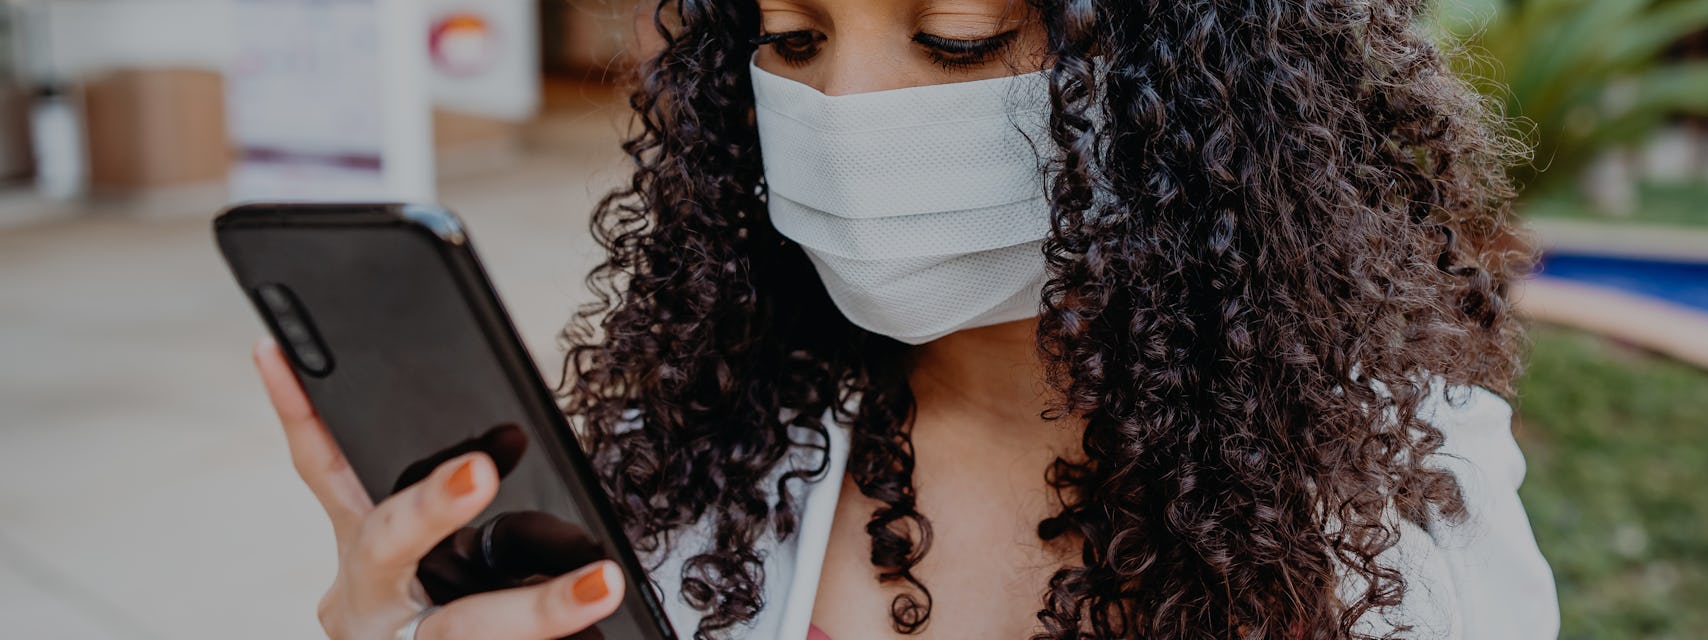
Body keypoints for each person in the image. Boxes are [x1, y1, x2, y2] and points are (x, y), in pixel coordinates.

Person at [250, 0, 1560, 637]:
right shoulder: (689, 463)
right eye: (796, 37)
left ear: (1191, 80)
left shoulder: (1393, 505)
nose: (848, 112)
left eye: (952, 37)